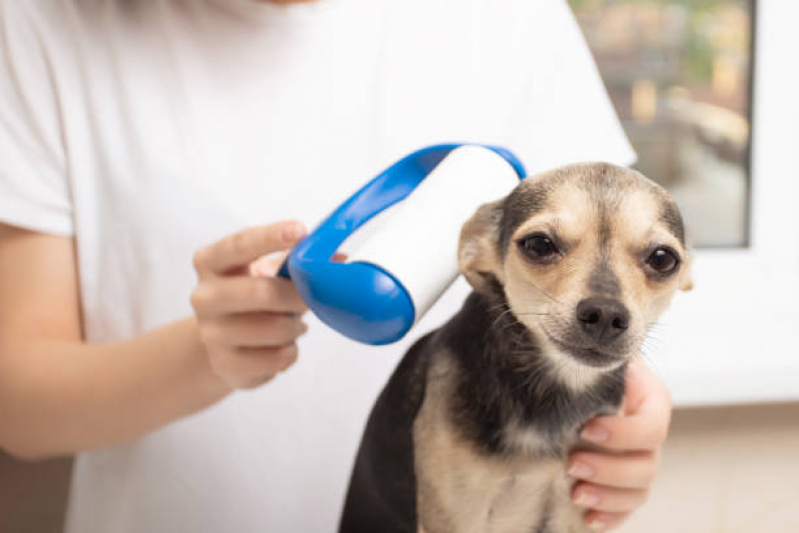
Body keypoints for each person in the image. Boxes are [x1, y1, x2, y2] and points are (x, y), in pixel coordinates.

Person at [0, 0, 671, 531]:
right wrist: (204, 357)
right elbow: (17, 409)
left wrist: (629, 420)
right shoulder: (43, 25)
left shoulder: (510, 19)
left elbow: (616, 278)